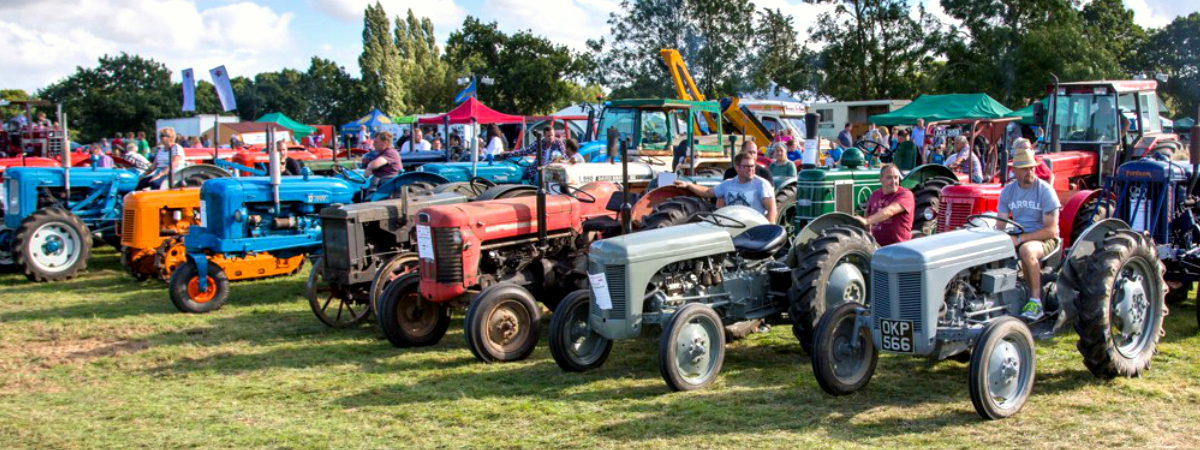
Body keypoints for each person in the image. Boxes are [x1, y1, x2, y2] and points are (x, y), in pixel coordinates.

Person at [997, 147, 1061, 321]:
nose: (1030, 171)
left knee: (1027, 250)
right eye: (1025, 168)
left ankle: (1036, 302)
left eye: (1032, 167)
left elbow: (1051, 230)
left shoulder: (1045, 191)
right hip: (1019, 235)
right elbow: (1000, 225)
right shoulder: (1008, 191)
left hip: (1045, 239)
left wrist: (1018, 239)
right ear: (1014, 170)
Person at [675, 152, 777, 222]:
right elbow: (708, 192)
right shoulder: (728, 184)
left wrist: (766, 233)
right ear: (737, 167)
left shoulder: (762, 184)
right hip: (732, 226)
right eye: (747, 166)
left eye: (752, 166)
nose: (751, 169)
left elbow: (772, 210)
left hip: (753, 228)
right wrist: (689, 185)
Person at [857, 164, 914, 246]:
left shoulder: (905, 195)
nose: (894, 181)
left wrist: (867, 221)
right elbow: (867, 214)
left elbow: (890, 211)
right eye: (889, 177)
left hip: (899, 248)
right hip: (877, 248)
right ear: (881, 179)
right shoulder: (875, 195)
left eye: (896, 177)